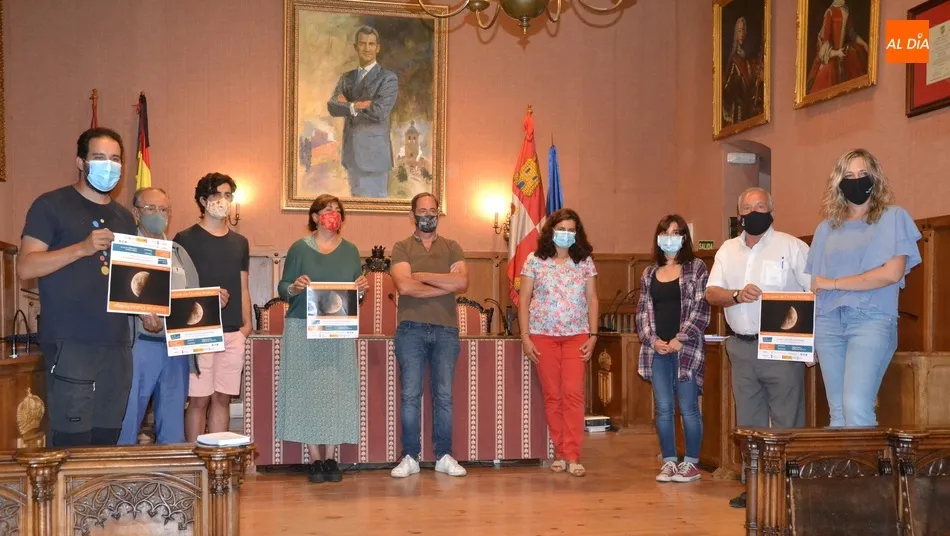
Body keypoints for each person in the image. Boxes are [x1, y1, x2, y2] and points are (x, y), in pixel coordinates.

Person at [17, 127, 138, 447]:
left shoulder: (125, 218)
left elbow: (133, 281)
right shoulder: (51, 205)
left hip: (117, 346)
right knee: (72, 446)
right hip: (71, 344)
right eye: (99, 158)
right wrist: (82, 248)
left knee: (105, 444)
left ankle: (97, 500)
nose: (108, 166)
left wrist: (148, 311)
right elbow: (25, 267)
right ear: (81, 162)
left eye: (115, 159)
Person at [705, 187, 810, 508]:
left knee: (786, 420)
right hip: (742, 346)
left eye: (760, 206)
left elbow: (813, 294)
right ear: (739, 216)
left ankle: (788, 488)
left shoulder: (792, 247)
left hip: (783, 345)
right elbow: (712, 294)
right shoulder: (727, 249)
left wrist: (811, 346)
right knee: (749, 422)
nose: (754, 212)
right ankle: (754, 487)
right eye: (747, 208)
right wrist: (736, 295)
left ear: (771, 209)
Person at [806, 149, 921, 427]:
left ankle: (867, 471)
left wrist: (835, 283)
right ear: (838, 182)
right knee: (837, 412)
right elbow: (815, 286)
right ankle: (846, 470)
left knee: (856, 405)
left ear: (875, 178)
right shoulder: (826, 227)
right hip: (828, 323)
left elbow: (891, 274)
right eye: (848, 176)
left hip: (871, 321)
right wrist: (805, 340)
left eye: (862, 174)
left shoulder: (894, 217)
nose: (855, 181)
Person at [117, 188, 228, 445]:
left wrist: (212, 302)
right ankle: (124, 480)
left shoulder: (178, 252)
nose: (158, 214)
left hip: (175, 349)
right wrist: (140, 312)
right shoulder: (124, 248)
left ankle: (172, 481)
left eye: (164, 209)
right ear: (136, 212)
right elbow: (116, 296)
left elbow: (192, 297)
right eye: (150, 209)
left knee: (173, 424)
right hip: (137, 347)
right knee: (128, 418)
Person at [276, 194, 369, 483]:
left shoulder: (351, 251)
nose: (333, 214)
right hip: (302, 327)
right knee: (307, 391)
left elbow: (355, 296)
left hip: (338, 329)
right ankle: (314, 458)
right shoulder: (298, 248)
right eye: (327, 210)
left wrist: (362, 289)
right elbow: (282, 288)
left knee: (336, 392)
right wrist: (294, 285)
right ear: (315, 217)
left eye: (337, 210)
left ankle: (331, 458)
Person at [389, 193, 468, 478]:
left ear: (439, 214)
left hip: (446, 330)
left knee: (444, 396)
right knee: (410, 395)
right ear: (412, 215)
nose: (427, 215)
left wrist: (419, 274)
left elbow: (461, 281)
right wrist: (442, 284)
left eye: (432, 210)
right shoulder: (401, 247)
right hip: (410, 329)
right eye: (422, 210)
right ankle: (409, 456)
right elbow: (405, 287)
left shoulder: (452, 247)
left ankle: (444, 456)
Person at [519, 208, 598, 478]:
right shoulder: (534, 260)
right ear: (551, 231)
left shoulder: (585, 261)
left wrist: (594, 335)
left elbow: (592, 299)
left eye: (571, 229)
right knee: (553, 396)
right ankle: (560, 451)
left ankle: (573, 454)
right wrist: (525, 336)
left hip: (577, 336)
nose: (566, 234)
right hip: (543, 336)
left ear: (577, 233)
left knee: (573, 394)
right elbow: (525, 298)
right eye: (561, 228)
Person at [174, 173, 251, 442]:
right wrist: (207, 297)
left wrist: (247, 326)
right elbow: (177, 288)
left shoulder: (240, 242)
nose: (223, 200)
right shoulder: (184, 238)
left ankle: (216, 460)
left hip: (233, 331)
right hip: (198, 331)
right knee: (199, 400)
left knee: (222, 398)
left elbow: (243, 285)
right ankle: (195, 462)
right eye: (217, 195)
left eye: (228, 195)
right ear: (203, 200)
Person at [636, 214, 710, 483]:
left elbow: (702, 310)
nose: (670, 238)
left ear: (684, 238)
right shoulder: (648, 273)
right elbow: (643, 312)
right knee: (664, 408)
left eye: (676, 233)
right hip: (657, 350)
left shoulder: (697, 268)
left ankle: (690, 462)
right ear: (658, 238)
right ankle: (669, 460)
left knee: (688, 407)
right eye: (665, 233)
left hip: (687, 349)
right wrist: (652, 339)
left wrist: (681, 338)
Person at [327, 25, 399, 198]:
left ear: (378, 47)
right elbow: (332, 106)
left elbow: (379, 111)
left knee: (374, 213)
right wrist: (357, 105)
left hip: (374, 158)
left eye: (371, 44)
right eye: (362, 44)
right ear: (355, 47)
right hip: (351, 156)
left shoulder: (388, 78)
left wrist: (348, 105)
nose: (367, 48)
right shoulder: (347, 78)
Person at [806, 0, 870, 94]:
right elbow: (824, 46)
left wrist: (864, 44)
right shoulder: (830, 12)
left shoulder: (846, 10)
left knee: (855, 54)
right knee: (829, 72)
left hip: (842, 54)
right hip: (830, 56)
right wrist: (837, 53)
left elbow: (851, 34)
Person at [722, 16, 764, 125]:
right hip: (738, 107)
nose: (741, 34)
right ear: (736, 33)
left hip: (747, 106)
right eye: (739, 30)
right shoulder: (735, 59)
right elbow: (728, 87)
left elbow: (750, 82)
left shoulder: (747, 59)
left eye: (743, 30)